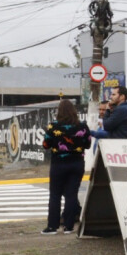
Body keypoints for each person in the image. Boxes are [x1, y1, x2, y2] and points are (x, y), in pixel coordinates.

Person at [41, 99, 91, 234]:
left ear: (59, 112)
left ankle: (52, 227)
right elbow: (88, 144)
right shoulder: (82, 126)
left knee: (55, 195)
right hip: (77, 164)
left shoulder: (53, 126)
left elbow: (46, 144)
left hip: (59, 164)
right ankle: (69, 227)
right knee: (71, 195)